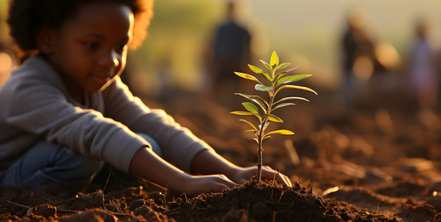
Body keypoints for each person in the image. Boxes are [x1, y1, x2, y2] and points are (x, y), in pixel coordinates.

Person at [0, 0, 291, 195]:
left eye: (119, 47)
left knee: (148, 140)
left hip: (59, 162)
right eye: (92, 45)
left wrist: (233, 171)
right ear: (47, 39)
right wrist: (184, 182)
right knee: (82, 153)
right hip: (10, 182)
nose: (110, 61)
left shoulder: (98, 83)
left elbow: (152, 123)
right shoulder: (27, 86)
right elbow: (93, 131)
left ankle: (95, 189)